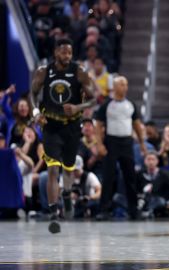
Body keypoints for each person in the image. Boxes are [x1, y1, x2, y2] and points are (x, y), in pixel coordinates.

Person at [29, 38, 95, 234]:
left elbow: (92, 100)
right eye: (64, 52)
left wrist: (77, 106)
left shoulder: (79, 71)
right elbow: (32, 94)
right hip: (50, 126)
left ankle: (66, 194)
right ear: (56, 52)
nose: (67, 56)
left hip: (72, 126)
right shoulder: (43, 71)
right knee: (52, 170)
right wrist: (35, 113)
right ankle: (53, 214)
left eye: (70, 53)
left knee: (68, 169)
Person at [94, 76, 147, 221]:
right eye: (122, 84)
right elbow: (98, 125)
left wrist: (142, 143)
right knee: (109, 176)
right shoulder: (107, 105)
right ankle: (104, 210)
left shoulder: (131, 105)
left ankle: (133, 210)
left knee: (130, 176)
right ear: (115, 87)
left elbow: (136, 125)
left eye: (126, 84)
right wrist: (99, 144)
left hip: (127, 143)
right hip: (111, 142)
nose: (125, 87)